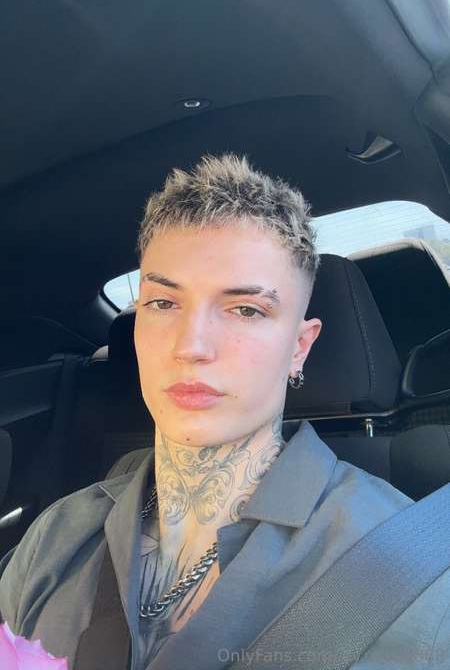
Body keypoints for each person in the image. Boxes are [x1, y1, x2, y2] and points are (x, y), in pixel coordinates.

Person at [0, 153, 449, 670]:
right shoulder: (56, 538)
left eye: (245, 309)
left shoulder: (415, 585)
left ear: (299, 347)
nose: (191, 346)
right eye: (163, 303)